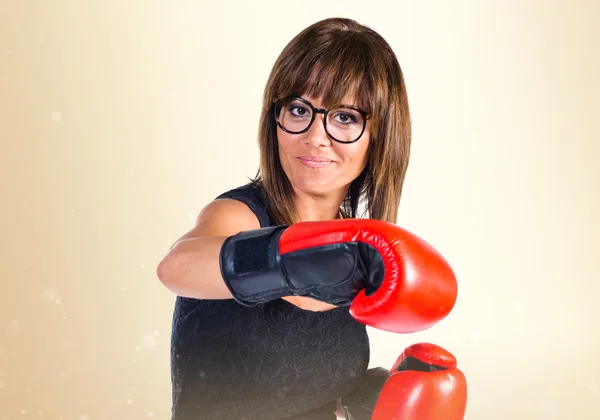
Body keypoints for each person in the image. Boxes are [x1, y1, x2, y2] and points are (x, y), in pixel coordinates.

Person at [157, 17, 467, 420]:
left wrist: (356, 401)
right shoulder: (239, 216)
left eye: (345, 117)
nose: (315, 136)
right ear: (276, 120)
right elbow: (176, 267)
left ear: (381, 136)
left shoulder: (363, 254)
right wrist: (306, 261)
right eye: (300, 109)